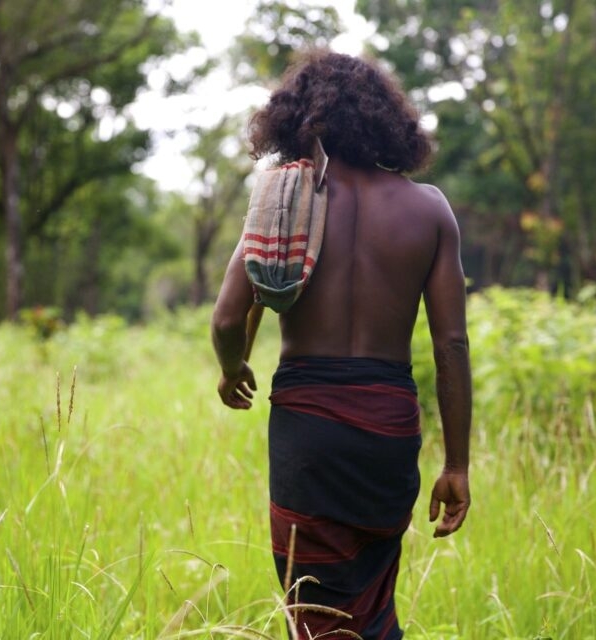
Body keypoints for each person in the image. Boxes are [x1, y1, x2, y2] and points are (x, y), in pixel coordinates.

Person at [210, 49, 472, 640]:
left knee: (317, 614)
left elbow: (228, 319)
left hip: (309, 434)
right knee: (373, 602)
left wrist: (232, 369)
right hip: (388, 429)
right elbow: (451, 344)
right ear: (385, 120)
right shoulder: (429, 210)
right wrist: (456, 464)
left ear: (299, 119)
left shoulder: (283, 204)